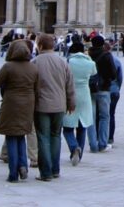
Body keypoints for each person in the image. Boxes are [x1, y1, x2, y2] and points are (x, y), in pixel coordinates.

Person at [0, 39, 40, 182]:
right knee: (22, 135)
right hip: (28, 103)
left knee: (11, 136)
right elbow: (37, 88)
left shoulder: (8, 67)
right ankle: (23, 165)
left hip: (11, 103)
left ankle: (13, 172)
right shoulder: (33, 68)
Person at [29, 34, 73, 180]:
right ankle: (55, 170)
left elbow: (31, 87)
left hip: (42, 106)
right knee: (56, 137)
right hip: (60, 105)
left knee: (43, 138)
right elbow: (69, 86)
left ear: (40, 46)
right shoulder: (62, 62)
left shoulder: (35, 62)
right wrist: (71, 103)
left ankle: (46, 172)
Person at [62, 42, 95, 164]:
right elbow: (94, 73)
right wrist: (88, 58)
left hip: (71, 94)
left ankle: (74, 146)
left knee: (67, 127)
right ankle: (79, 154)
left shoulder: (69, 62)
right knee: (82, 125)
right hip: (85, 95)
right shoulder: (90, 63)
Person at [89, 38, 121, 153]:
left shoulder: (88, 54)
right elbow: (113, 74)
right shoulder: (106, 55)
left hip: (91, 88)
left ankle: (92, 144)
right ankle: (102, 143)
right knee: (104, 116)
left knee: (91, 118)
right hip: (104, 88)